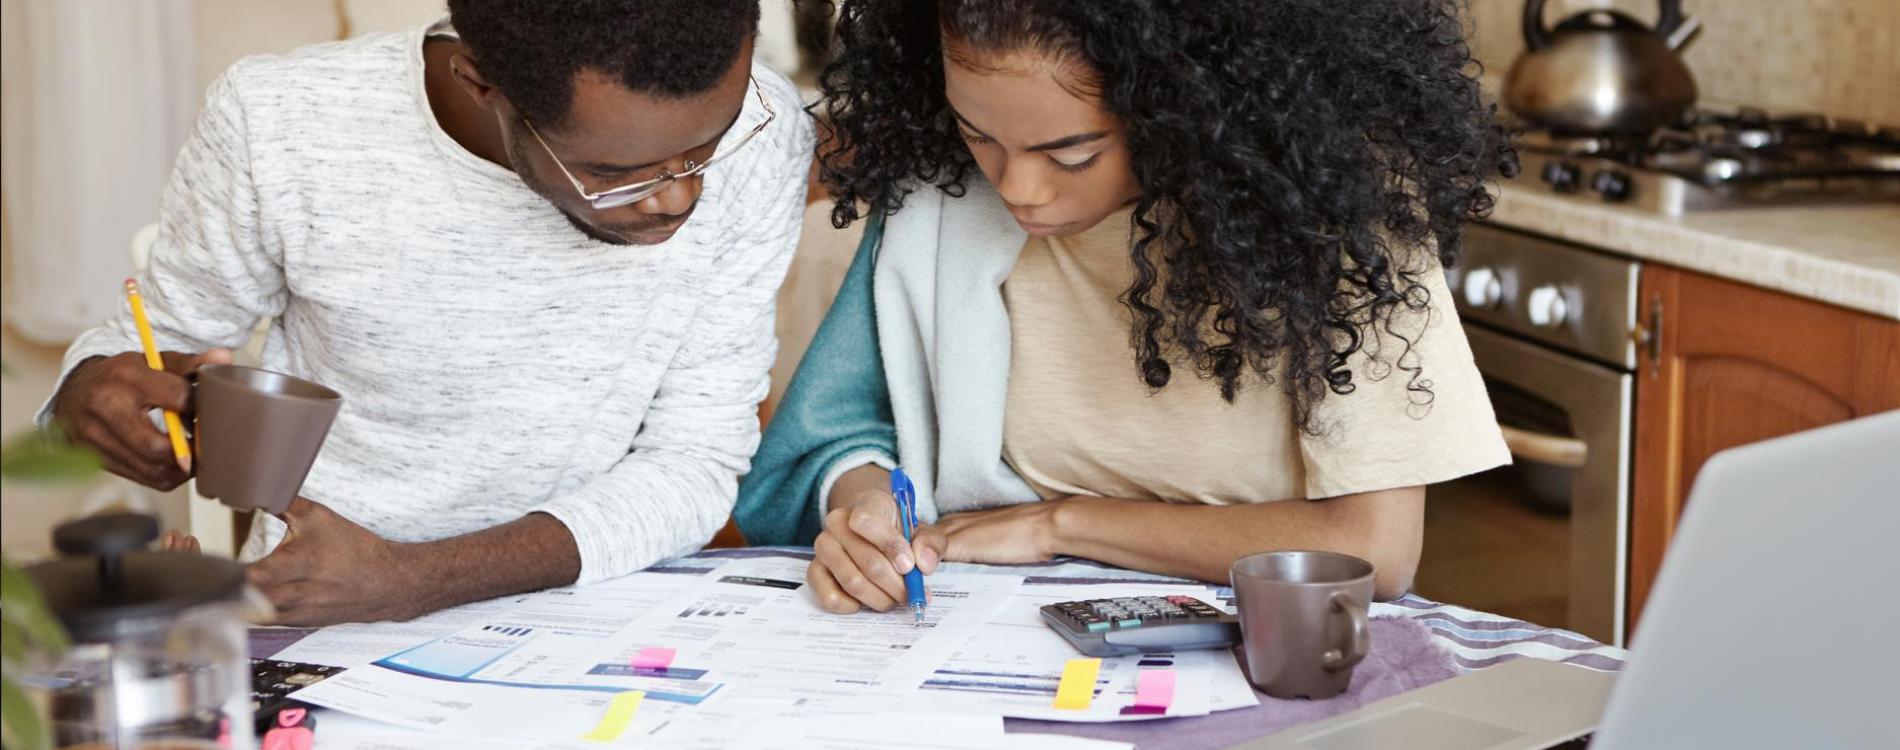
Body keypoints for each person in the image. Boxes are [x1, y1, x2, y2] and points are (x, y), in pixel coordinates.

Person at [43, 1, 815, 625]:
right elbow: (147, 350)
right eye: (613, 174)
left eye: (706, 148)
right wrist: (87, 394)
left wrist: (418, 579)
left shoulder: (766, 131)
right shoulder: (284, 123)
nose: (678, 194)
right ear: (481, 82)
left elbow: (696, 462)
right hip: (318, 615)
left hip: (597, 618)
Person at [734, 0, 1515, 614]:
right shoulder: (938, 194)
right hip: (984, 630)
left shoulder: (1328, 213)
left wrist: (1059, 525)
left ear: (1184, 100)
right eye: (979, 135)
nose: (1016, 189)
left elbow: (1375, 548)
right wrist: (865, 509)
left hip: (1265, 639)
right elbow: (841, 436)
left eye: (1072, 154)